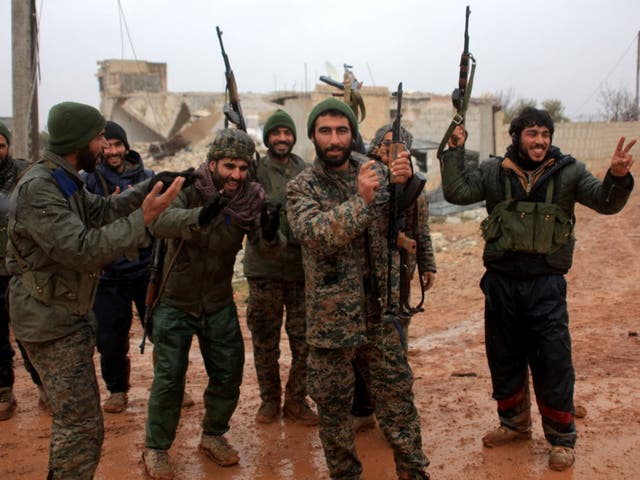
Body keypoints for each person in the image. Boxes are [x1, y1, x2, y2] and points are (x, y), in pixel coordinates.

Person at [439, 107, 635, 471]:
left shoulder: (569, 172)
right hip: (501, 284)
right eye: (532, 133)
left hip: (546, 286)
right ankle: (513, 424)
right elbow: (456, 192)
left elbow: (606, 202)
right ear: (517, 136)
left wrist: (618, 177)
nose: (540, 141)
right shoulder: (495, 171)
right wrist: (453, 151)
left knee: (553, 362)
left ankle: (561, 439)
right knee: (504, 357)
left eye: (545, 134)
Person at [6, 101, 185, 480]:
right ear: (79, 140)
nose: (105, 145)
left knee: (80, 423)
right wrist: (145, 219)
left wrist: (148, 188)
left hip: (63, 314)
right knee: (81, 425)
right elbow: (83, 250)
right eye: (100, 137)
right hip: (49, 321)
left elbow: (101, 210)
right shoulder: (41, 188)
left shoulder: (62, 176)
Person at [287, 97, 430, 480]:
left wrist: (406, 181)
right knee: (334, 413)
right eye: (325, 131)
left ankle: (414, 473)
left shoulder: (375, 171)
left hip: (379, 315)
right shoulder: (302, 186)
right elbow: (316, 235)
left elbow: (407, 220)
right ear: (314, 136)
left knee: (398, 402)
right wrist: (361, 200)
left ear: (353, 134)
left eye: (342, 130)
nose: (334, 139)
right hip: (331, 323)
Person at [142, 128, 281, 480]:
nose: (236, 175)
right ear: (213, 162)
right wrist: (199, 217)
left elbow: (265, 250)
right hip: (175, 301)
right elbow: (159, 222)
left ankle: (213, 435)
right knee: (170, 379)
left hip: (217, 302)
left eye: (243, 168)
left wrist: (268, 233)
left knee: (228, 372)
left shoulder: (251, 198)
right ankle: (157, 448)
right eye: (229, 166)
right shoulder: (188, 188)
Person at [242, 109, 317, 426]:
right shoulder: (255, 171)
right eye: (276, 133)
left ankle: (296, 400)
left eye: (287, 133)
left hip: (301, 273)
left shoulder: (305, 169)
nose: (282, 138)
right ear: (268, 138)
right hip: (265, 271)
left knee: (305, 342)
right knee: (265, 342)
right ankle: (269, 401)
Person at [80, 120, 155, 413]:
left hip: (145, 269)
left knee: (161, 331)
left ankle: (170, 384)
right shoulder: (89, 182)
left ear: (126, 147)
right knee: (110, 339)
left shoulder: (147, 176)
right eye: (107, 145)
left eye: (118, 144)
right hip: (108, 275)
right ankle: (117, 390)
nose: (113, 151)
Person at [0, 121, 49, 420]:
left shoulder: (24, 174)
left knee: (29, 332)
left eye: (1, 145)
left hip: (20, 268)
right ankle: (4, 390)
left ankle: (44, 386)